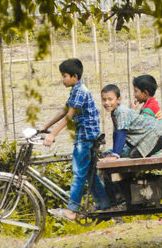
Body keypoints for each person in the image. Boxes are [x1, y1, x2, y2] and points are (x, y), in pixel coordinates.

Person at [42, 58, 111, 221]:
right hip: (86, 135)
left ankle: (71, 210)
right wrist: (45, 127)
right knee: (88, 173)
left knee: (79, 172)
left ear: (74, 76)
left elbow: (69, 117)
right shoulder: (75, 90)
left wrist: (53, 135)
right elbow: (63, 111)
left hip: (86, 136)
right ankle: (105, 203)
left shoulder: (81, 91)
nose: (62, 79)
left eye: (64, 76)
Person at [100, 84, 162, 161]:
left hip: (150, 132)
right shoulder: (115, 112)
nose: (106, 102)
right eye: (104, 99)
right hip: (146, 134)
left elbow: (121, 133)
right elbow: (116, 134)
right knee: (129, 153)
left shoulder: (121, 112)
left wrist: (115, 156)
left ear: (118, 100)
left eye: (110, 99)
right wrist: (114, 152)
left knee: (135, 155)